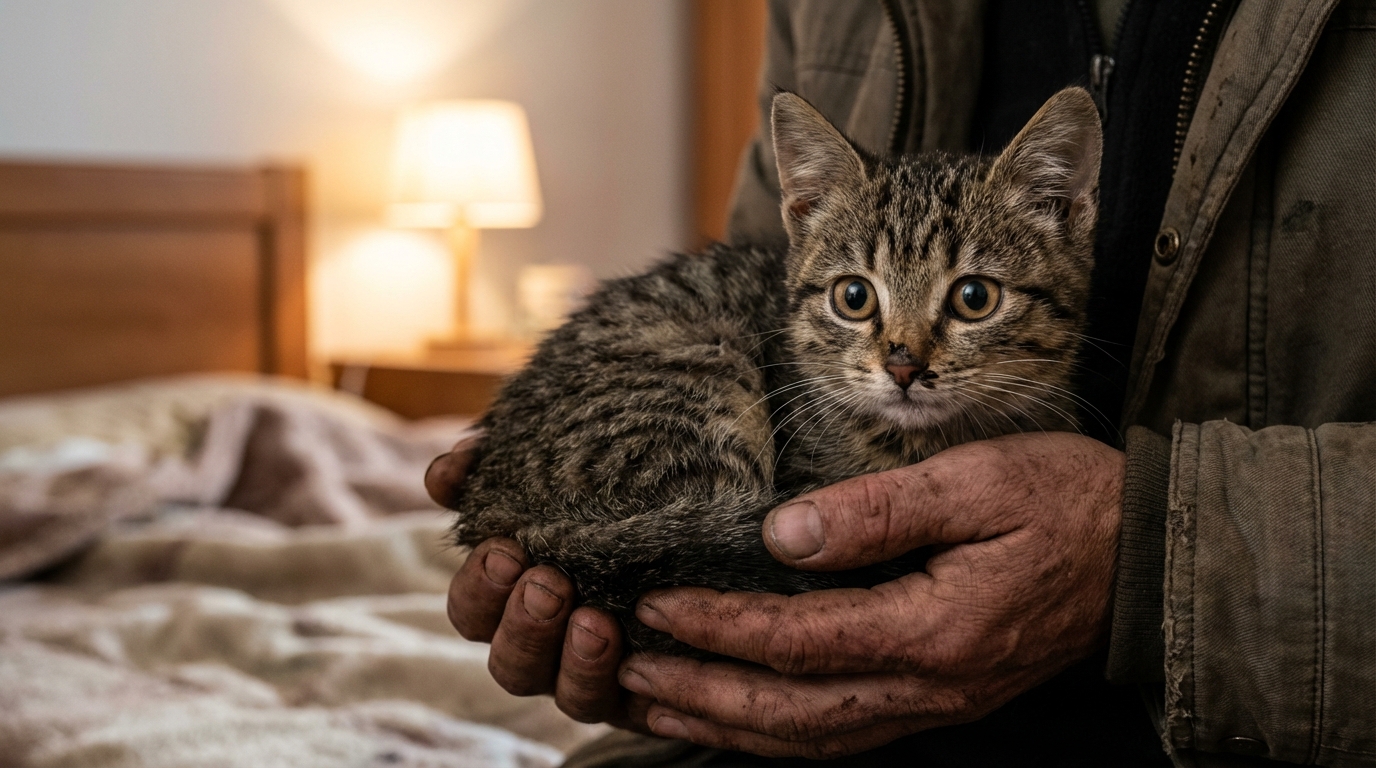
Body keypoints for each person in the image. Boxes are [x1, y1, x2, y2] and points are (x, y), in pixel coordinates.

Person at [426, 1, 1376, 765]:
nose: (904, 352)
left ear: (1064, 212)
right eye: (858, 298)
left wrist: (1152, 558)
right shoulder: (791, 383)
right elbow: (764, 261)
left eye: (970, 297)